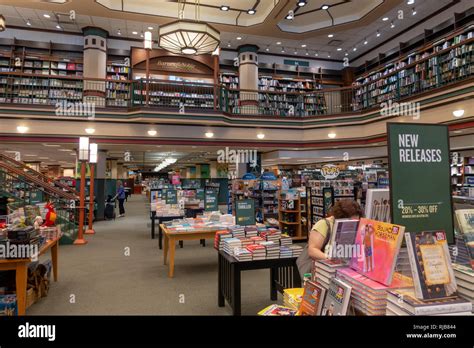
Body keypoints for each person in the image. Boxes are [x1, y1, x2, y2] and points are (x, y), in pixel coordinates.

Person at [296, 200, 363, 278]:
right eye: (350, 221)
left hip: (343, 271)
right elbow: (312, 250)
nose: (352, 224)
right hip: (322, 272)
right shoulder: (324, 224)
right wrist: (330, 258)